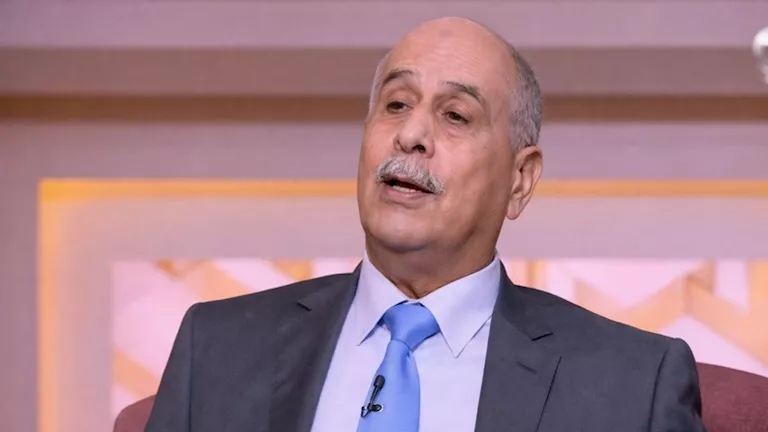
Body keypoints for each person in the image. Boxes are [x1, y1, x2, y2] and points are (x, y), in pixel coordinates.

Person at [145, 17, 706, 432]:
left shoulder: (633, 385)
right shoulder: (216, 348)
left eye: (455, 115)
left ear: (520, 180)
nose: (410, 135)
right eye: (395, 105)